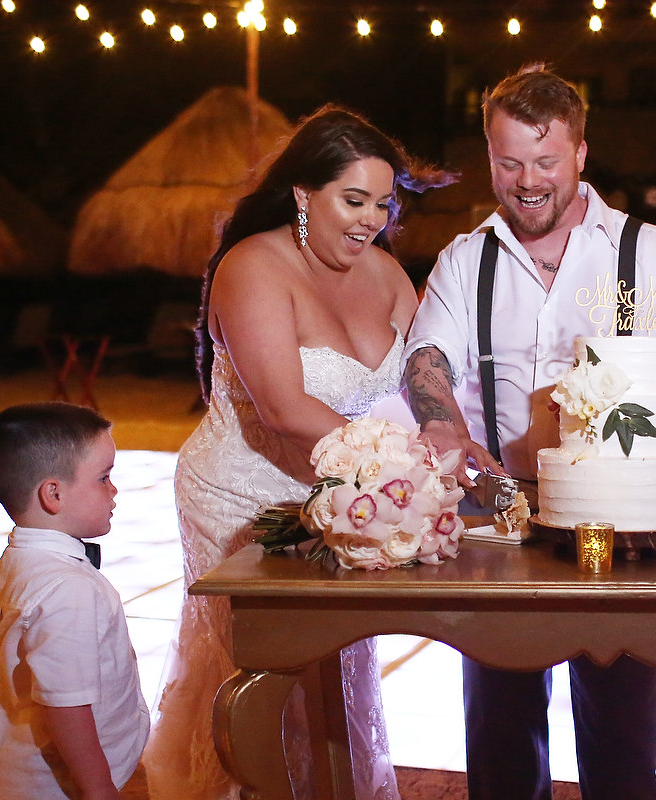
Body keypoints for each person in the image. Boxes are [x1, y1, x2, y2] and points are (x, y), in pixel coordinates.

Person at [403, 65, 656, 800]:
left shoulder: (654, 255)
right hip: (499, 508)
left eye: (545, 161)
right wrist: (446, 430)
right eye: (508, 161)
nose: (526, 181)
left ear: (581, 154)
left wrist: (616, 411)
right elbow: (426, 358)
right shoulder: (464, 260)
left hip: (625, 515)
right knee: (499, 723)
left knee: (618, 719)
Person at [143, 105, 452, 800]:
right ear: (302, 193)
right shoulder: (253, 267)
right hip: (244, 495)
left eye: (382, 202)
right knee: (263, 686)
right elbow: (283, 410)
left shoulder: (388, 274)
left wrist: (458, 459)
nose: (371, 218)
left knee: (340, 678)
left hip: (353, 493)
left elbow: (425, 385)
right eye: (353, 199)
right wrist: (403, 473)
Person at [0, 402, 149, 799]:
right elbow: (67, 706)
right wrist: (99, 790)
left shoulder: (17, 563)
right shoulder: (67, 590)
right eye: (104, 478)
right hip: (54, 786)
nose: (114, 490)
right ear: (53, 493)